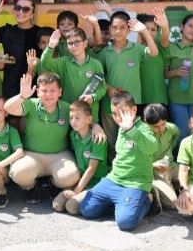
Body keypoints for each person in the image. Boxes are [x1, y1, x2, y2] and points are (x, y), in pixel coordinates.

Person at [4, 72, 105, 204]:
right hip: (32, 155)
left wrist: (96, 126)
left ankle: (54, 184)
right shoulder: (31, 104)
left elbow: (81, 119)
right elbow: (8, 108)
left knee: (70, 177)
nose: (48, 94)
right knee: (19, 173)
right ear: (37, 92)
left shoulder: (66, 107)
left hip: (59, 155)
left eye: (53, 90)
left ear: (60, 92)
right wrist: (22, 96)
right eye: (44, 90)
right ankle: (31, 187)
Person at [79, 91, 159, 231]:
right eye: (114, 113)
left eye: (123, 112)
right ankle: (122, 204)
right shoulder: (122, 127)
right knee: (86, 209)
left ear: (134, 110)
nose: (118, 117)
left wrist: (131, 129)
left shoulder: (142, 127)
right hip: (114, 180)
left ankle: (148, 198)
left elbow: (152, 147)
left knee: (125, 222)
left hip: (136, 183)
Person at [91, 11, 159, 159]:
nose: (118, 31)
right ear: (110, 29)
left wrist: (144, 31)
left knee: (131, 140)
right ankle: (113, 167)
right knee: (111, 141)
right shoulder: (105, 52)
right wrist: (108, 88)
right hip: (110, 104)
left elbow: (154, 53)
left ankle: (130, 167)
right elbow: (98, 75)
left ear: (129, 30)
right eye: (114, 27)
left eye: (122, 27)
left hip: (132, 104)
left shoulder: (137, 49)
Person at [158, 0, 193, 142]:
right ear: (181, 27)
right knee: (182, 132)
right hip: (177, 100)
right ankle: (181, 156)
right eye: (190, 26)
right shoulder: (171, 47)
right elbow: (165, 74)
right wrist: (176, 72)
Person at [52, 100, 108, 216]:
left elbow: (92, 169)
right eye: (71, 118)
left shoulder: (97, 139)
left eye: (77, 118)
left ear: (88, 119)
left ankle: (104, 202)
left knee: (71, 206)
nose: (73, 121)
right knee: (57, 205)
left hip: (96, 182)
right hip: (80, 180)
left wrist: (76, 191)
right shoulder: (73, 135)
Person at [40, 27, 107, 122]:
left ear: (85, 43)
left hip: (89, 115)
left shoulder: (95, 64)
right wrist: (51, 45)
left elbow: (103, 87)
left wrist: (93, 97)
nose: (73, 46)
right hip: (69, 115)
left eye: (77, 42)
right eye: (70, 43)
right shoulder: (63, 62)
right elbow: (45, 62)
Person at [0, 0, 41, 100]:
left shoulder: (40, 33)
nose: (21, 12)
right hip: (10, 86)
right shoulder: (7, 30)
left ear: (32, 14)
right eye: (18, 8)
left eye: (26, 9)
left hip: (33, 87)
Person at [144, 103, 180, 210]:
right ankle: (153, 187)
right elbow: (136, 163)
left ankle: (174, 185)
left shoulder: (172, 128)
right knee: (173, 203)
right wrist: (153, 165)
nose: (160, 129)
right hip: (155, 172)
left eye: (163, 124)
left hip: (172, 166)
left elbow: (175, 137)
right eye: (156, 126)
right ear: (146, 121)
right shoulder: (141, 136)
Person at [136, 13, 168, 107]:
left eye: (153, 30)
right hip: (140, 99)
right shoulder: (134, 48)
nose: (149, 32)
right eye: (146, 29)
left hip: (159, 98)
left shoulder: (160, 46)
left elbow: (165, 36)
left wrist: (165, 27)